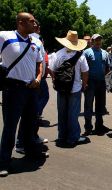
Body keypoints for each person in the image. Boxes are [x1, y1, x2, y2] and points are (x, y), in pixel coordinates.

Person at [0, 12, 49, 177]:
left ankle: (31, 153)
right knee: (10, 127)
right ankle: (3, 162)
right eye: (31, 21)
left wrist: (38, 77)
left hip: (32, 89)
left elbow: (39, 63)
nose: (34, 24)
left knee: (30, 124)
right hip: (13, 89)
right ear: (21, 22)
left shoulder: (36, 41)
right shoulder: (4, 37)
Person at [49, 30, 89, 147]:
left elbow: (52, 69)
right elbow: (85, 72)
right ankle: (72, 137)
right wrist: (84, 85)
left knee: (62, 113)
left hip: (61, 89)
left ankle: (62, 136)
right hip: (75, 88)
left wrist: (55, 80)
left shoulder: (58, 54)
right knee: (73, 114)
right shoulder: (80, 55)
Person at [15, 19, 48, 154]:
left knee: (33, 113)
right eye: (33, 24)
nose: (36, 26)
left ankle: (31, 137)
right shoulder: (33, 38)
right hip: (32, 81)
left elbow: (40, 61)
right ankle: (21, 143)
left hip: (38, 79)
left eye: (36, 24)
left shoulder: (37, 39)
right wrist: (37, 78)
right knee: (28, 115)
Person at [83, 34, 111, 136]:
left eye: (100, 40)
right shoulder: (86, 52)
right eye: (96, 40)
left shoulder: (105, 53)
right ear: (92, 41)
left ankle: (99, 126)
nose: (98, 42)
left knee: (100, 106)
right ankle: (88, 127)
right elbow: (83, 68)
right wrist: (84, 82)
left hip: (101, 82)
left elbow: (108, 68)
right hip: (90, 82)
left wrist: (108, 82)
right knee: (88, 105)